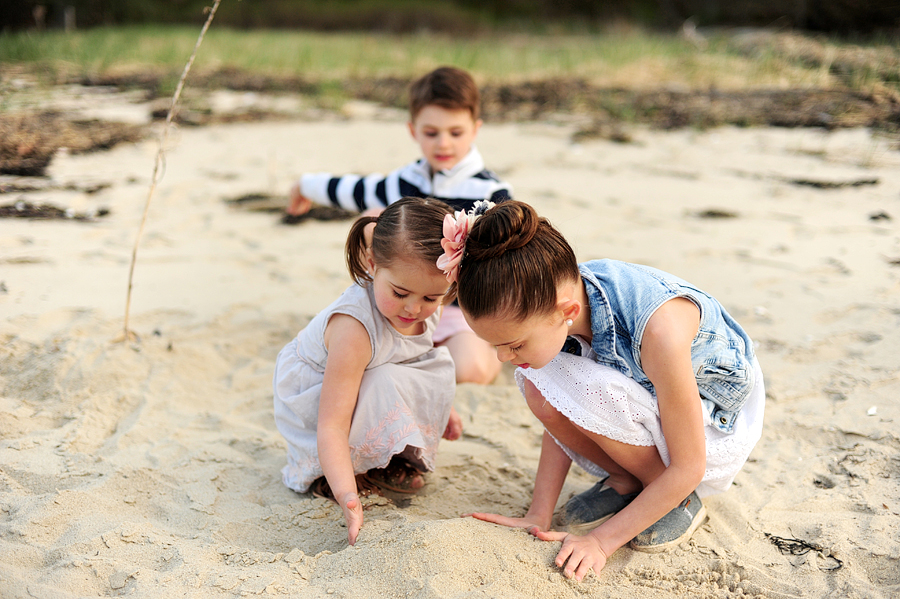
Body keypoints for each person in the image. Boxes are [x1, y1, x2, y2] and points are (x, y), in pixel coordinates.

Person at [441, 201, 765, 581]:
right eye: (495, 345)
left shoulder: (659, 332)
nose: (504, 358)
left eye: (513, 344)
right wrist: (538, 514)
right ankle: (627, 480)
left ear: (565, 311)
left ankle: (673, 497)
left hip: (714, 421)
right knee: (539, 381)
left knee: (577, 383)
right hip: (653, 402)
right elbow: (563, 397)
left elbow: (688, 465)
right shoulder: (557, 299)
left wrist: (600, 542)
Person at [287, 66, 512, 385]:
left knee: (471, 370)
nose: (443, 144)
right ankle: (382, 313)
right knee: (375, 216)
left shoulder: (491, 193)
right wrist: (305, 185)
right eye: (431, 133)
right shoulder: (406, 181)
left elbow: (511, 255)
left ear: (475, 130)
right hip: (400, 308)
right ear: (413, 130)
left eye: (456, 132)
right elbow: (358, 190)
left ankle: (475, 348)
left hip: (457, 311)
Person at [273, 197, 464, 546]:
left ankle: (381, 461)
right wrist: (347, 494)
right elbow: (331, 423)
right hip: (319, 396)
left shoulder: (423, 304)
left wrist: (441, 407)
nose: (413, 308)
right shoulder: (354, 329)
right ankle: (333, 475)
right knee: (382, 379)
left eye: (431, 298)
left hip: (368, 380)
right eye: (400, 292)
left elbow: (414, 358)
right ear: (373, 264)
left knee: (431, 368)